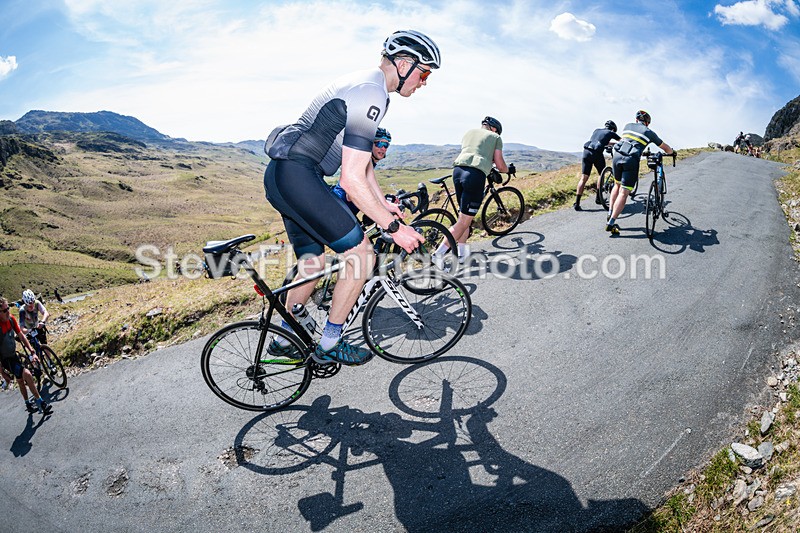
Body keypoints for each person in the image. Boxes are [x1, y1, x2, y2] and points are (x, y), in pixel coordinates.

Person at [263, 30, 439, 366]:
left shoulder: (373, 89)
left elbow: (363, 168)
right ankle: (330, 342)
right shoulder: (370, 92)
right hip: (299, 175)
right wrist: (393, 227)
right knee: (362, 254)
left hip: (284, 175)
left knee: (312, 264)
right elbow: (350, 178)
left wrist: (382, 203)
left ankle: (282, 340)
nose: (424, 82)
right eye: (424, 72)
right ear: (404, 64)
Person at [434, 116, 508, 264]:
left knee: (464, 218)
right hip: (474, 175)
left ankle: (462, 255)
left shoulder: (469, 133)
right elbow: (499, 164)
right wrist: (507, 170)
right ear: (494, 129)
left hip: (458, 171)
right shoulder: (495, 137)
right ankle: (438, 254)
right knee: (462, 222)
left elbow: (477, 151)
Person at [605, 110, 674, 235]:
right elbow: (665, 148)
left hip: (617, 156)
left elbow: (630, 141)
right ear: (647, 123)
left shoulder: (627, 126)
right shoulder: (649, 132)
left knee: (616, 185)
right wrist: (672, 153)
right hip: (630, 160)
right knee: (624, 193)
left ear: (636, 120)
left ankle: (610, 213)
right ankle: (611, 222)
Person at [0, 297, 52, 415]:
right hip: (6, 360)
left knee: (20, 379)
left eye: (8, 308)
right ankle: (41, 402)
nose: (8, 311)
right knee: (27, 374)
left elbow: (21, 336)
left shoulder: (11, 319)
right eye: (4, 310)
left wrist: (32, 351)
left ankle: (28, 403)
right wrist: (2, 373)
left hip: (14, 355)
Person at [330, 128, 394, 214]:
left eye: (386, 145)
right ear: (370, 145)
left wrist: (384, 200)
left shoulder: (370, 164)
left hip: (346, 211)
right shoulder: (363, 162)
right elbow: (351, 195)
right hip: (338, 208)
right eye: (379, 144)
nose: (383, 148)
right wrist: (381, 205)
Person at [573, 120, 620, 210]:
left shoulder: (596, 130)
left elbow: (600, 141)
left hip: (586, 152)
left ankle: (577, 203)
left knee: (583, 178)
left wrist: (612, 143)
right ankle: (598, 198)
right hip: (596, 153)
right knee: (601, 174)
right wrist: (617, 143)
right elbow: (622, 141)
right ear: (613, 129)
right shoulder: (611, 133)